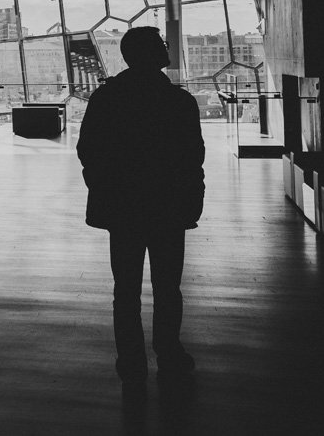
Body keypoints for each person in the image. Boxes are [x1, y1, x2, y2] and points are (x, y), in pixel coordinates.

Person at [76, 26, 204, 391]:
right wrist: (191, 199)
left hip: (124, 209)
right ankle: (169, 351)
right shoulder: (178, 102)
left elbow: (89, 150)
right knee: (168, 287)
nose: (166, 47)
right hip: (167, 207)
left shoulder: (107, 98)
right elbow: (192, 156)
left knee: (126, 288)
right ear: (152, 53)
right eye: (161, 43)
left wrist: (105, 189)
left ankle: (131, 360)